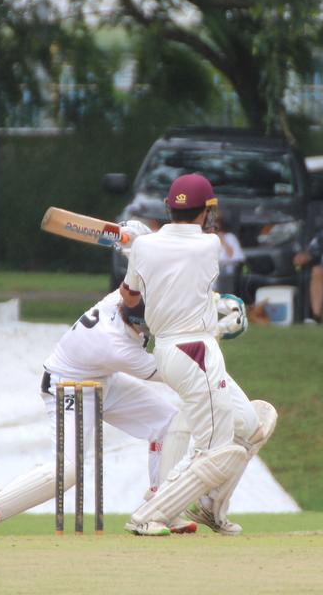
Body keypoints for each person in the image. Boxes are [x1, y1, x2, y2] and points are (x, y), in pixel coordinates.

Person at [0, 289, 193, 536]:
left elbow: (140, 277)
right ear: (143, 322)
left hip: (103, 377)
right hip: (67, 387)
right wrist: (214, 333)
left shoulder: (119, 300)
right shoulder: (116, 347)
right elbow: (183, 373)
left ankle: (161, 509)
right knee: (68, 470)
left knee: (170, 423)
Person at [119, 173, 259, 537]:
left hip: (168, 349)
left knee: (251, 425)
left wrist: (135, 247)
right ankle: (150, 513)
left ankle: (212, 507)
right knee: (213, 449)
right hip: (195, 351)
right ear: (207, 211)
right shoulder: (209, 245)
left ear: (169, 207)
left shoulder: (144, 248)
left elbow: (129, 299)